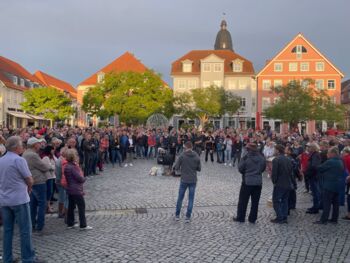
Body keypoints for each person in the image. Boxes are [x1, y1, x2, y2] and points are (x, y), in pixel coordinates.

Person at [0, 136, 46, 263]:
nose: (22, 147)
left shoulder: (1, 160)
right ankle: (28, 258)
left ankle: (7, 258)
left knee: (8, 231)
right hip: (19, 199)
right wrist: (29, 187)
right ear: (16, 147)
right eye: (21, 145)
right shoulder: (18, 160)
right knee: (25, 230)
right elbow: (29, 179)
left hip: (4, 200)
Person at [23, 137, 51, 233]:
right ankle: (40, 224)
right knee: (41, 203)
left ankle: (33, 223)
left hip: (32, 181)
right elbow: (44, 167)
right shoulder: (32, 155)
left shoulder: (26, 153)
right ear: (35, 145)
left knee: (33, 204)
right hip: (38, 181)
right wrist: (48, 165)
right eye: (39, 143)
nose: (40, 145)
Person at [234, 143, 266, 223]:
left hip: (247, 182)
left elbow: (240, 168)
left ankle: (241, 217)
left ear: (248, 149)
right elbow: (263, 168)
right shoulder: (261, 158)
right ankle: (252, 218)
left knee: (243, 201)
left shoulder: (246, 157)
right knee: (255, 202)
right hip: (258, 182)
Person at [314, 147, 344, 224]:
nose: (327, 154)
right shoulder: (340, 161)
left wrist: (317, 164)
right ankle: (334, 219)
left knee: (326, 203)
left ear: (332, 153)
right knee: (335, 204)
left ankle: (323, 220)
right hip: (337, 185)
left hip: (329, 185)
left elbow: (320, 168)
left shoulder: (330, 161)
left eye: (328, 153)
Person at [64, 148, 92, 230]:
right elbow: (80, 178)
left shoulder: (67, 166)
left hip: (70, 189)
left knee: (71, 206)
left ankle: (70, 223)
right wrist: (84, 178)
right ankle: (83, 225)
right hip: (76, 189)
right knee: (81, 207)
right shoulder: (73, 167)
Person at [173, 141, 201, 222]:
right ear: (192, 147)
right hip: (193, 180)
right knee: (191, 199)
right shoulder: (196, 156)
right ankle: (188, 217)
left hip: (184, 179)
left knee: (180, 198)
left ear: (185, 147)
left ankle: (177, 216)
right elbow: (199, 169)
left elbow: (176, 167)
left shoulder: (182, 155)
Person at [271, 145, 294, 224]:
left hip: (280, 184)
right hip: (288, 183)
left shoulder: (276, 160)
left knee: (276, 201)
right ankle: (284, 217)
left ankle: (280, 217)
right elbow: (291, 172)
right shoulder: (288, 159)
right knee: (285, 201)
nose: (274, 151)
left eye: (275, 149)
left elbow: (274, 173)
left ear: (277, 150)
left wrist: (274, 182)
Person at [305, 142, 322, 214]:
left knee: (315, 193)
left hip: (313, 176)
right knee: (314, 192)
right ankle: (315, 206)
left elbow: (314, 166)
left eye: (309, 147)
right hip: (313, 176)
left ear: (313, 148)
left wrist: (308, 173)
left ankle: (316, 208)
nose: (307, 148)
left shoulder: (315, 155)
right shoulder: (314, 154)